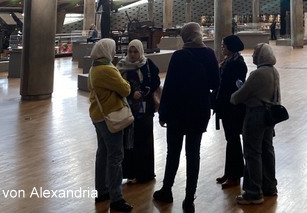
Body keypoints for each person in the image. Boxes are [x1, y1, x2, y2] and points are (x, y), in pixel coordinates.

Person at [153, 23, 220, 213]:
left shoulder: (179, 56)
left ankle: (167, 190)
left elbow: (170, 87)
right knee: (193, 154)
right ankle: (189, 198)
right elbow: (215, 83)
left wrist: (163, 113)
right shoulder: (209, 54)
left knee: (173, 153)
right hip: (199, 111)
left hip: (177, 111)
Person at [230, 43, 280, 205]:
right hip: (269, 115)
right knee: (267, 150)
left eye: (255, 53)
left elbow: (241, 95)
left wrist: (234, 95)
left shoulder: (258, 73)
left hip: (255, 115)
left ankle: (253, 192)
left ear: (261, 56)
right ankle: (270, 186)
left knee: (252, 153)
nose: (252, 56)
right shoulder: (274, 71)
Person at [88, 39, 134, 213]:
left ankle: (102, 190)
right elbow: (126, 89)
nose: (114, 52)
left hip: (98, 115)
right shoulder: (107, 69)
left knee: (103, 153)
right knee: (115, 156)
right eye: (113, 49)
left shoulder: (94, 68)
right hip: (110, 116)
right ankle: (116, 198)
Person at [117, 39, 160, 184]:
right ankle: (130, 172)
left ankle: (145, 173)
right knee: (129, 141)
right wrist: (130, 94)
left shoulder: (147, 64)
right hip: (127, 107)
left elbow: (155, 81)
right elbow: (118, 85)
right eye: (130, 51)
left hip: (144, 108)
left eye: (136, 51)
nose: (133, 54)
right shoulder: (122, 65)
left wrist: (144, 92)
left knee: (144, 139)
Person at [214, 35, 247, 189]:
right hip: (225, 106)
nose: (222, 48)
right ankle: (230, 171)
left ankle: (235, 174)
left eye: (224, 45)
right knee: (230, 140)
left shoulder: (237, 64)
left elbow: (234, 86)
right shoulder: (229, 61)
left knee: (233, 140)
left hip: (232, 107)